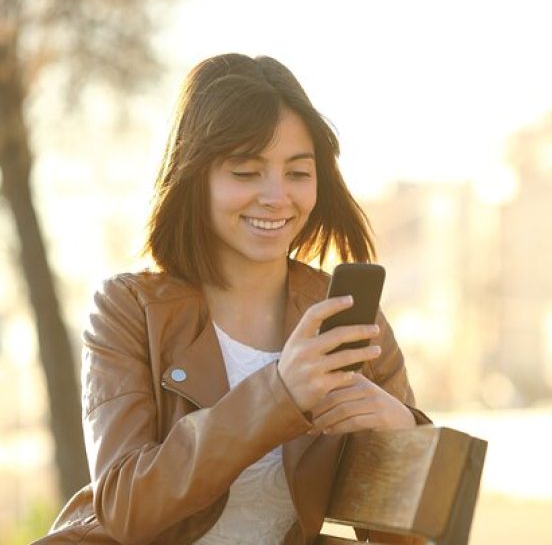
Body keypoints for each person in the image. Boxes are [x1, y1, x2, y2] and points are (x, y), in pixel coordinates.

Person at [38, 53, 429, 544]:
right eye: (246, 173)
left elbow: (408, 538)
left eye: (298, 173)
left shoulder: (349, 320)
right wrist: (278, 394)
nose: (276, 196)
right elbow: (125, 508)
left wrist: (402, 436)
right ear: (194, 175)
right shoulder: (128, 309)